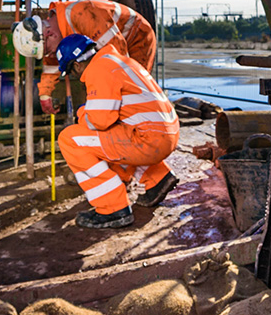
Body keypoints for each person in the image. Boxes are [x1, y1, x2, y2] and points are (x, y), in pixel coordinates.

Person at [55, 34, 180, 229]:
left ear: (77, 66)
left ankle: (112, 208)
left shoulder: (99, 69)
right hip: (165, 135)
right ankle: (157, 178)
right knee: (114, 136)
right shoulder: (119, 61)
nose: (76, 77)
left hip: (149, 140)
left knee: (70, 139)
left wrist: (82, 113)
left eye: (71, 72)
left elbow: (99, 121)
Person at [11, 0, 155, 114]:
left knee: (133, 92)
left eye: (49, 50)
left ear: (50, 34)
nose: (52, 54)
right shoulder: (56, 32)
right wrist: (45, 95)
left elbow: (119, 60)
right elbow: (52, 63)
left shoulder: (83, 15)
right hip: (114, 45)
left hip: (137, 38)